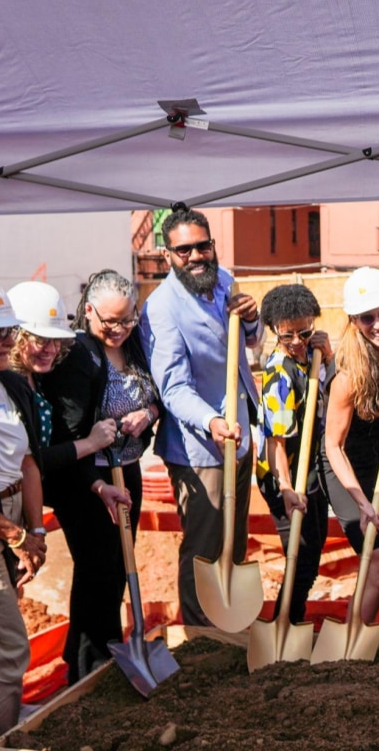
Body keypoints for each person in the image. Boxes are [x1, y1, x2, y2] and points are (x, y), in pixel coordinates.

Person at [139, 204, 261, 627]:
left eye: (202, 246)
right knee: (205, 545)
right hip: (200, 448)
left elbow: (249, 342)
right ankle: (200, 635)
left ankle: (232, 624)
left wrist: (252, 319)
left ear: (213, 245)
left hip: (239, 436)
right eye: (184, 250)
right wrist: (211, 421)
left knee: (235, 539)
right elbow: (172, 386)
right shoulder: (161, 309)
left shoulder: (224, 280)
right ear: (168, 255)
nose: (196, 257)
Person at [36, 271, 158, 683]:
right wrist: (96, 483)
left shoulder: (135, 344)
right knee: (98, 572)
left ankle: (101, 656)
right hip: (86, 482)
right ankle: (89, 669)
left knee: (118, 569)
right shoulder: (79, 356)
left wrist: (150, 414)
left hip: (128, 471)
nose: (120, 330)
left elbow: (153, 395)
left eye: (127, 319)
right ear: (88, 310)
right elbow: (69, 436)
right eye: (110, 322)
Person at [322, 268, 379, 624]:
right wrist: (360, 500)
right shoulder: (348, 377)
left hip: (376, 463)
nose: (378, 324)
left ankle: (360, 623)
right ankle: (351, 636)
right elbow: (332, 446)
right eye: (367, 317)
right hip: (345, 471)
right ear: (354, 321)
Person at [256, 284, 334, 625]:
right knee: (300, 553)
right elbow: (276, 441)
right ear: (274, 330)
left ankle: (293, 616)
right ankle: (283, 621)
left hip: (310, 467)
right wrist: (287, 488)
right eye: (288, 336)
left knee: (314, 547)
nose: (298, 342)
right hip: (282, 474)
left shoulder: (309, 358)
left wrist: (328, 357)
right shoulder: (279, 375)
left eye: (305, 332)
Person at [0, 280, 46, 737]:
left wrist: (37, 531)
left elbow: (27, 461)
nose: (5, 341)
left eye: (8, 330)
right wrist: (17, 536)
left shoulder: (7, 383)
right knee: (10, 649)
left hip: (7, 519)